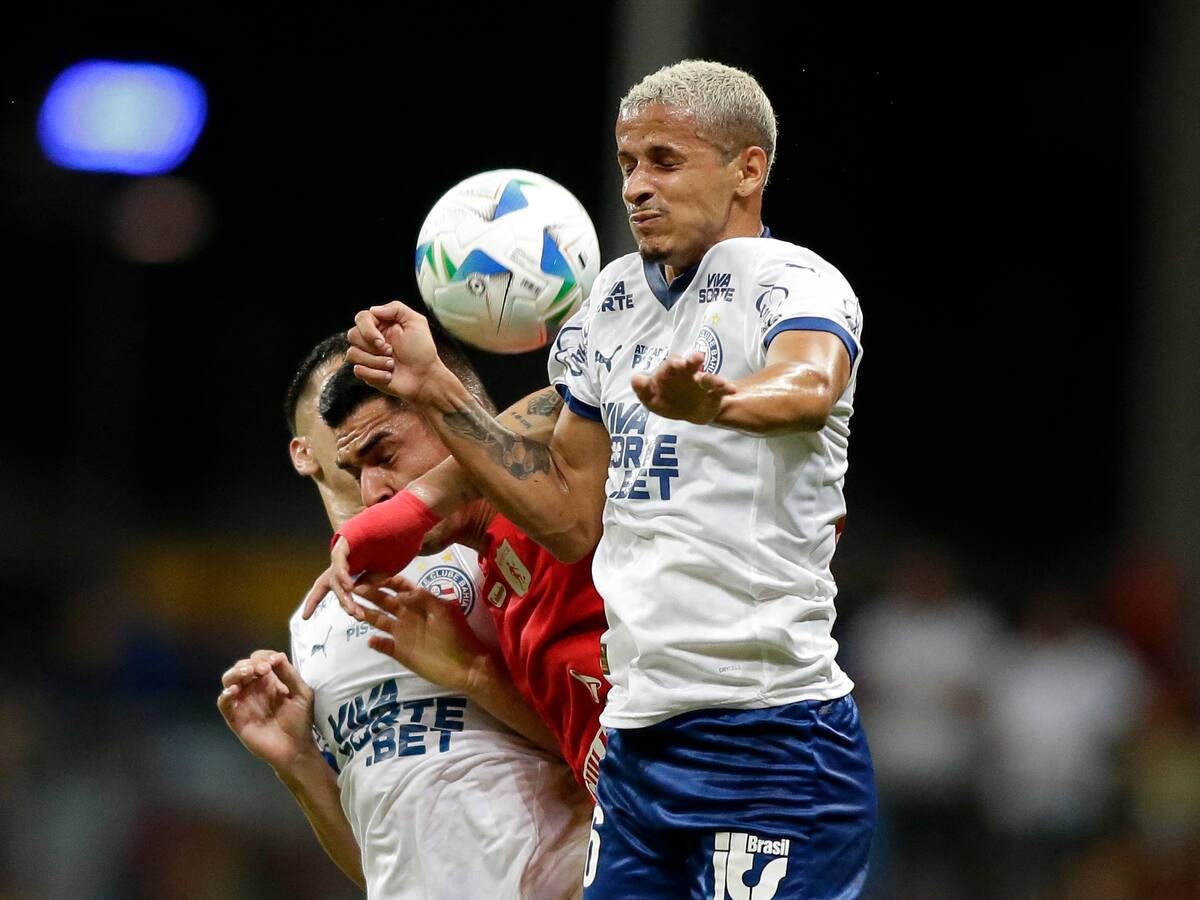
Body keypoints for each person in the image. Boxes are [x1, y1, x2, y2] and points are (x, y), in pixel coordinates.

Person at [332, 59, 875, 898]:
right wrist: (435, 389)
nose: (636, 187)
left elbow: (810, 383)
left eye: (665, 160)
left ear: (748, 169)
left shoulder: (794, 281)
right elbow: (567, 521)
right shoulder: (613, 303)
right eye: (627, 164)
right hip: (635, 738)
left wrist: (722, 402)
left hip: (769, 730)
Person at [218, 333, 590, 899]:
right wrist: (298, 763)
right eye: (338, 395)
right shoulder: (310, 628)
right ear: (305, 452)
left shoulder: (485, 544)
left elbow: (588, 747)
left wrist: (472, 670)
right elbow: (383, 859)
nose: (353, 399)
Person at [312, 361, 611, 798]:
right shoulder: (494, 582)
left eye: (385, 456)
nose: (371, 494)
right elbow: (581, 754)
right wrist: (474, 672)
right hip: (639, 819)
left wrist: (420, 499)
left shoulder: (566, 489)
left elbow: (596, 388)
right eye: (358, 475)